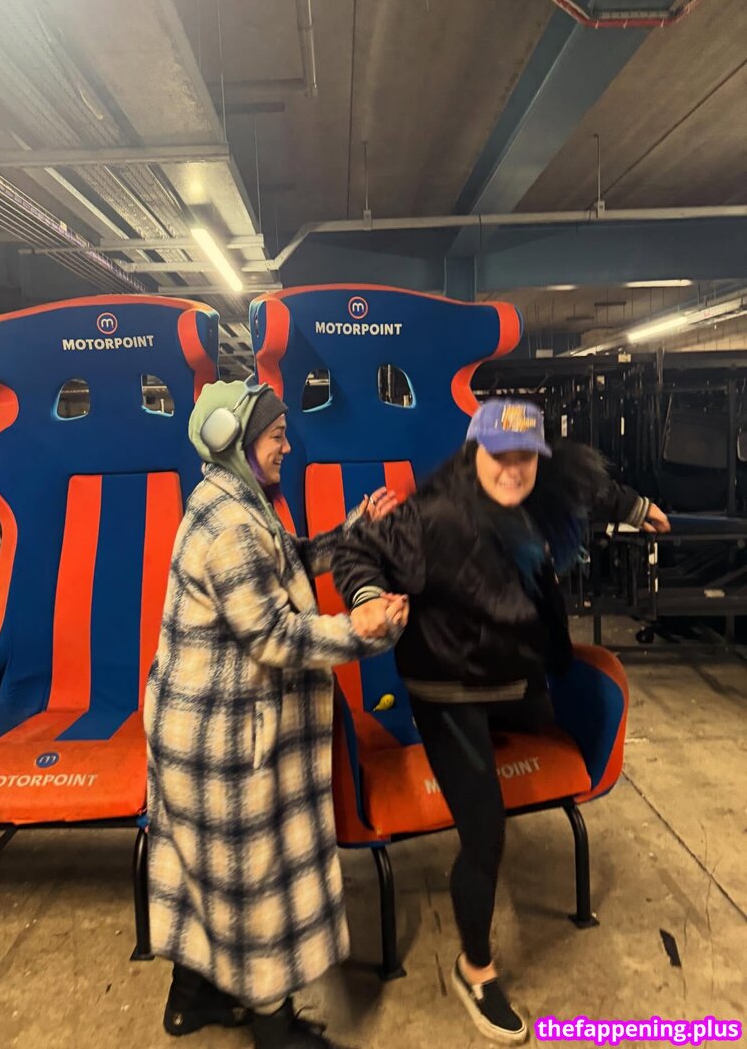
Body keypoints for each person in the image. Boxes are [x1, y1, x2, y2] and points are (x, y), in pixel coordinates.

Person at [332, 398, 670, 1044]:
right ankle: (475, 970)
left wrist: (635, 506)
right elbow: (357, 553)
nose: (513, 469)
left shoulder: (535, 492)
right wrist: (369, 597)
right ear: (472, 455)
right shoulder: (434, 517)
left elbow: (583, 483)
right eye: (499, 456)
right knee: (484, 829)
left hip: (511, 676)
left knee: (546, 721)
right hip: (449, 688)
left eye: (525, 458)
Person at [143, 380, 407, 1049]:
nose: (287, 446)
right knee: (252, 879)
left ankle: (191, 1001)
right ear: (233, 440)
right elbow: (274, 637)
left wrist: (353, 528)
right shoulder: (232, 526)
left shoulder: (233, 498)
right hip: (223, 741)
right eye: (277, 435)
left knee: (203, 872)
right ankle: (273, 1026)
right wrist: (363, 629)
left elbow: (289, 559)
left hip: (197, 727)